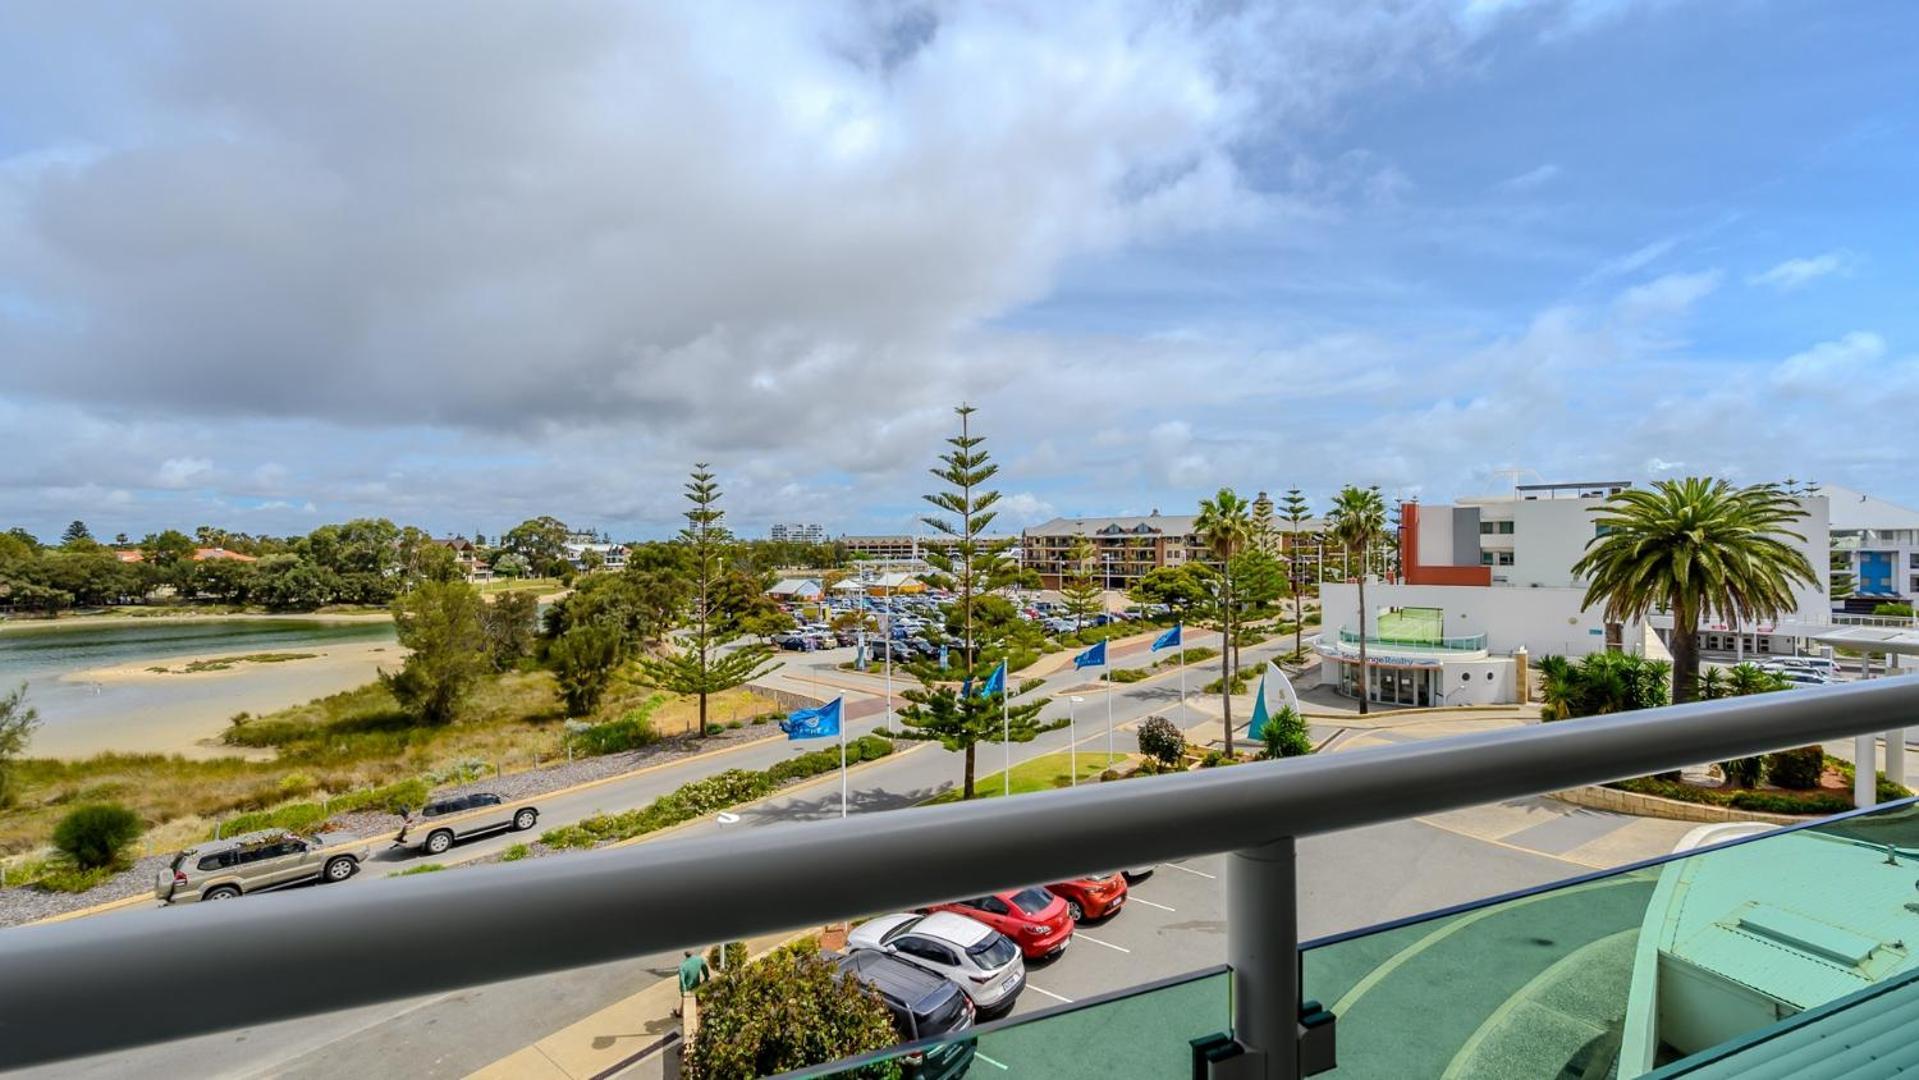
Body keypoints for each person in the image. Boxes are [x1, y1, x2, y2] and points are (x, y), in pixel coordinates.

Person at [672, 949, 710, 1020]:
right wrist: (706, 977)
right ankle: (680, 1012)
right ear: (692, 953)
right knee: (698, 999)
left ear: (685, 954)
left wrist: (683, 991)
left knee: (687, 1001)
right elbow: (705, 968)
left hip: (688, 987)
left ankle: (680, 1013)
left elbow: (682, 981)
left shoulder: (682, 966)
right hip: (697, 984)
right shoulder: (699, 959)